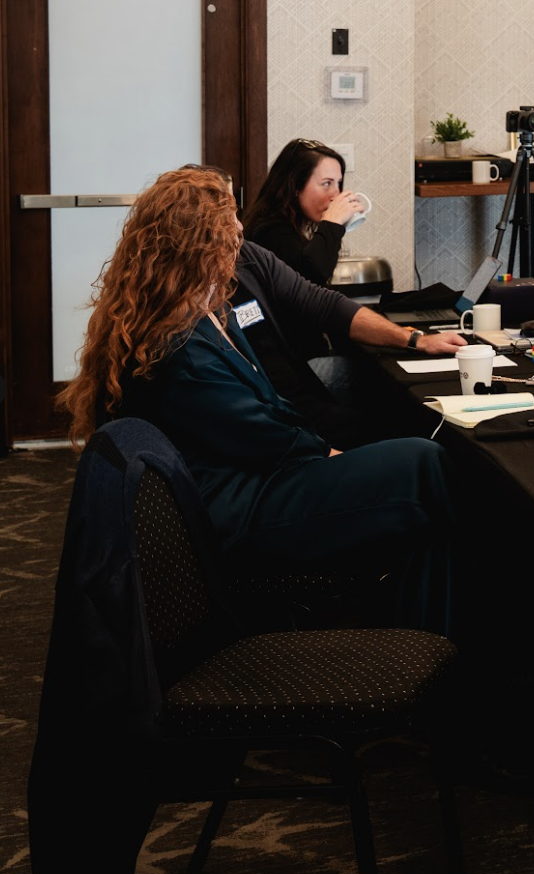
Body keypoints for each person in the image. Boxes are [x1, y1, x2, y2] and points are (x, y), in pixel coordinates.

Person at [58, 167, 455, 633]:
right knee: (422, 462)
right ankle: (439, 631)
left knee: (421, 479)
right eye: (229, 230)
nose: (239, 238)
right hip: (239, 508)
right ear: (199, 246)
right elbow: (264, 438)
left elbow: (270, 404)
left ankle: (424, 632)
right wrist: (331, 454)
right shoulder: (177, 349)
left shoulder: (205, 313)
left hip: (257, 476)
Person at [230, 240, 468, 449]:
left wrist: (417, 341)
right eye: (227, 219)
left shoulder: (248, 255)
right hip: (278, 423)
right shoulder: (209, 298)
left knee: (396, 407)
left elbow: (324, 304)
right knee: (414, 437)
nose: (238, 226)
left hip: (303, 397)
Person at [240, 138, 365, 287]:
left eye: (338, 183)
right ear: (295, 187)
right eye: (326, 183)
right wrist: (332, 223)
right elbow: (310, 281)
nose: (336, 195)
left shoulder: (290, 227)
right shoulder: (270, 231)